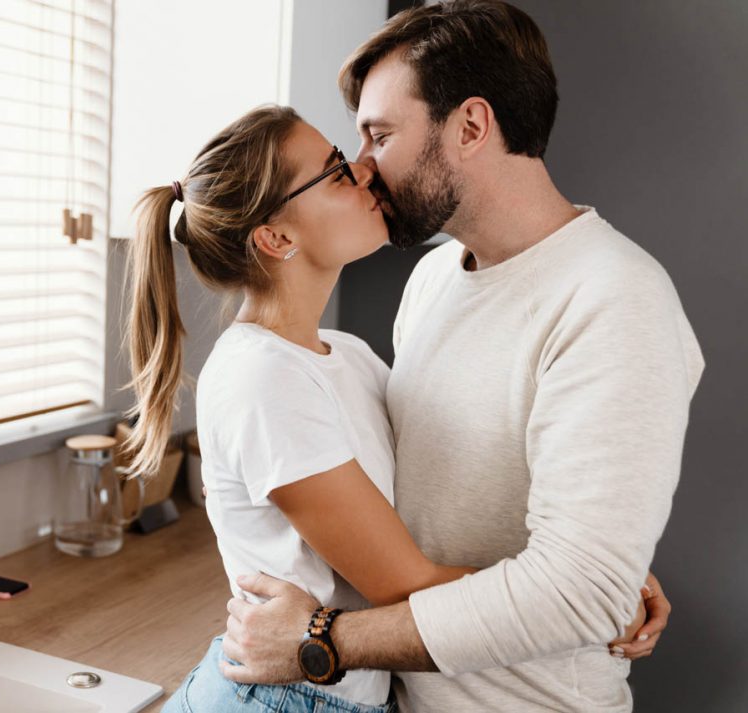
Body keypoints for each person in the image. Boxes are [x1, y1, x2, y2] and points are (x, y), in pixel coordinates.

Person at [219, 2, 702, 712]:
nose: (364, 166)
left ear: (471, 126)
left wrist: (324, 636)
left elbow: (579, 593)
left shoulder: (615, 298)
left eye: (380, 135)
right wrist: (598, 570)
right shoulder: (436, 279)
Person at [123, 104, 664, 711]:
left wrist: (598, 564)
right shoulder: (261, 378)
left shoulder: (347, 357)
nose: (365, 170)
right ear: (276, 238)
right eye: (333, 171)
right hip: (286, 699)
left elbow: (432, 500)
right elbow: (405, 583)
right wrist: (588, 599)